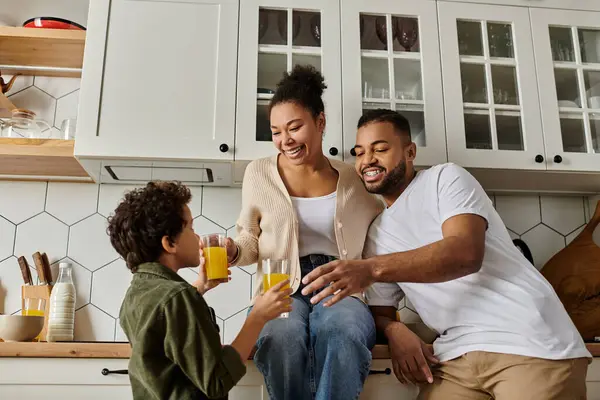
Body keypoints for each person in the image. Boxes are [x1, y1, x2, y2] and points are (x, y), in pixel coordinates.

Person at [301, 109, 592, 399]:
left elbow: (465, 253)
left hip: (529, 340)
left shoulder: (446, 178)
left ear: (410, 151)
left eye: (381, 149)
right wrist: (394, 331)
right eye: (360, 152)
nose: (367, 160)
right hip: (455, 358)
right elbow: (382, 310)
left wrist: (371, 269)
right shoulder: (376, 234)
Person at [224, 65, 383, 400]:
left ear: (320, 123)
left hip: (339, 283)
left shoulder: (353, 177)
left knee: (342, 332)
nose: (286, 140)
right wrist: (233, 252)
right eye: (277, 131)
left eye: (295, 127)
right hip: (279, 283)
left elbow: (379, 230)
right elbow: (249, 239)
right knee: (280, 337)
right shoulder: (259, 173)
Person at [108, 181, 292, 400]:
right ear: (169, 244)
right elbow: (217, 381)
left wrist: (200, 287)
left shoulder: (137, 292)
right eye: (191, 229)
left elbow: (165, 322)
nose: (197, 237)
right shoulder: (177, 297)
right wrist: (257, 317)